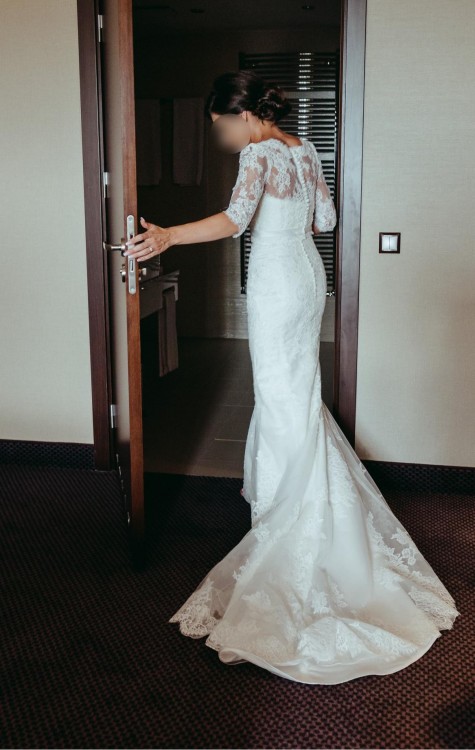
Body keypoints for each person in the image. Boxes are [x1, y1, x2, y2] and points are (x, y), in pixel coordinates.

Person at [124, 71, 460, 684]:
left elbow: (235, 219)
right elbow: (325, 220)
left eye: (223, 126)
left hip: (277, 284)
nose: (224, 137)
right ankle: (307, 512)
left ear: (244, 116)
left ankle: (287, 524)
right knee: (296, 397)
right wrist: (288, 219)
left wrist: (169, 235)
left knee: (282, 400)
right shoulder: (304, 149)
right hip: (307, 279)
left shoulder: (258, 153)